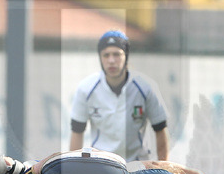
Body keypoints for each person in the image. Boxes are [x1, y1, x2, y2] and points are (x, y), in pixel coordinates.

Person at [69, 30, 170, 161]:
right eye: (106, 55)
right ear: (100, 57)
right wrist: (72, 171)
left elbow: (160, 129)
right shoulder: (85, 89)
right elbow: (77, 132)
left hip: (139, 164)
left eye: (117, 54)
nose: (111, 60)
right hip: (101, 164)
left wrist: (165, 166)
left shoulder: (146, 87)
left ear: (126, 56)